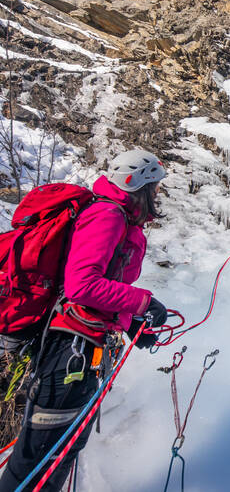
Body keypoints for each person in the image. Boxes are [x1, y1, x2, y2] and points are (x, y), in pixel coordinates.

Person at [0, 150, 169, 492]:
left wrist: (131, 321)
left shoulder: (117, 217)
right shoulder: (107, 216)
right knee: (44, 455)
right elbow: (81, 285)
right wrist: (142, 301)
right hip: (70, 351)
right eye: (155, 187)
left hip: (80, 345)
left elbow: (96, 287)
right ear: (138, 186)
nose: (158, 194)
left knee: (61, 447)